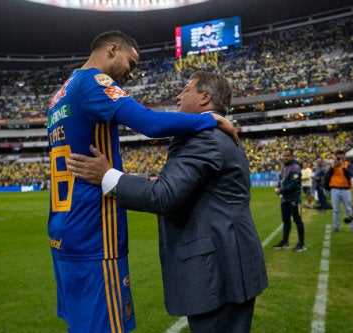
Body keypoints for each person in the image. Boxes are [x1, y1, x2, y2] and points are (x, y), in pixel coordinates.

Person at [47, 31, 237, 333]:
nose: (132, 74)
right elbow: (149, 123)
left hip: (63, 227)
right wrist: (209, 119)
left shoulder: (60, 94)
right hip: (95, 231)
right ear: (112, 49)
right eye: (131, 63)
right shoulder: (93, 81)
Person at [67, 71, 268, 333]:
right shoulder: (212, 134)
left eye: (186, 90)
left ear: (206, 97)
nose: (178, 96)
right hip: (228, 263)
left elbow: (164, 195)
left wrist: (108, 177)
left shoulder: (205, 137)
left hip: (219, 270)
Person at [273, 148, 307, 252]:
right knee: (286, 220)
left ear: (292, 156)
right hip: (285, 198)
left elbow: (294, 184)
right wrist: (278, 184)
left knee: (297, 220)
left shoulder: (295, 167)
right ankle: (285, 242)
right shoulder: (284, 167)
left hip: (294, 198)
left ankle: (302, 243)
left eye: (287, 156)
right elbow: (282, 179)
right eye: (284, 155)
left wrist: (281, 190)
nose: (285, 157)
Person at [324, 150, 353, 232]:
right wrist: (332, 167)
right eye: (338, 156)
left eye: (341, 156)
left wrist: (343, 167)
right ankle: (336, 227)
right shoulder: (332, 165)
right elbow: (327, 175)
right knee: (336, 209)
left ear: (344, 156)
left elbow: (351, 174)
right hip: (335, 189)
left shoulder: (348, 164)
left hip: (346, 189)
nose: (339, 158)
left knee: (349, 209)